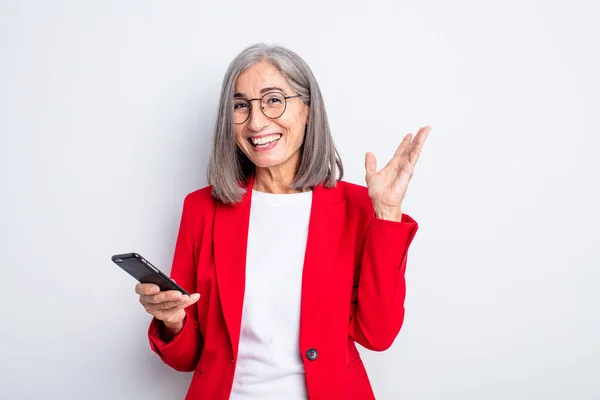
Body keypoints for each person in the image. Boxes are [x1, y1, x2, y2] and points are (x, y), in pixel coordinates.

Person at [135, 43, 430, 400]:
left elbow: (378, 335)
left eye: (273, 100)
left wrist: (386, 213)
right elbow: (188, 358)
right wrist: (173, 321)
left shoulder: (357, 206)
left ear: (308, 109)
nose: (256, 122)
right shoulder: (202, 208)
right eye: (240, 105)